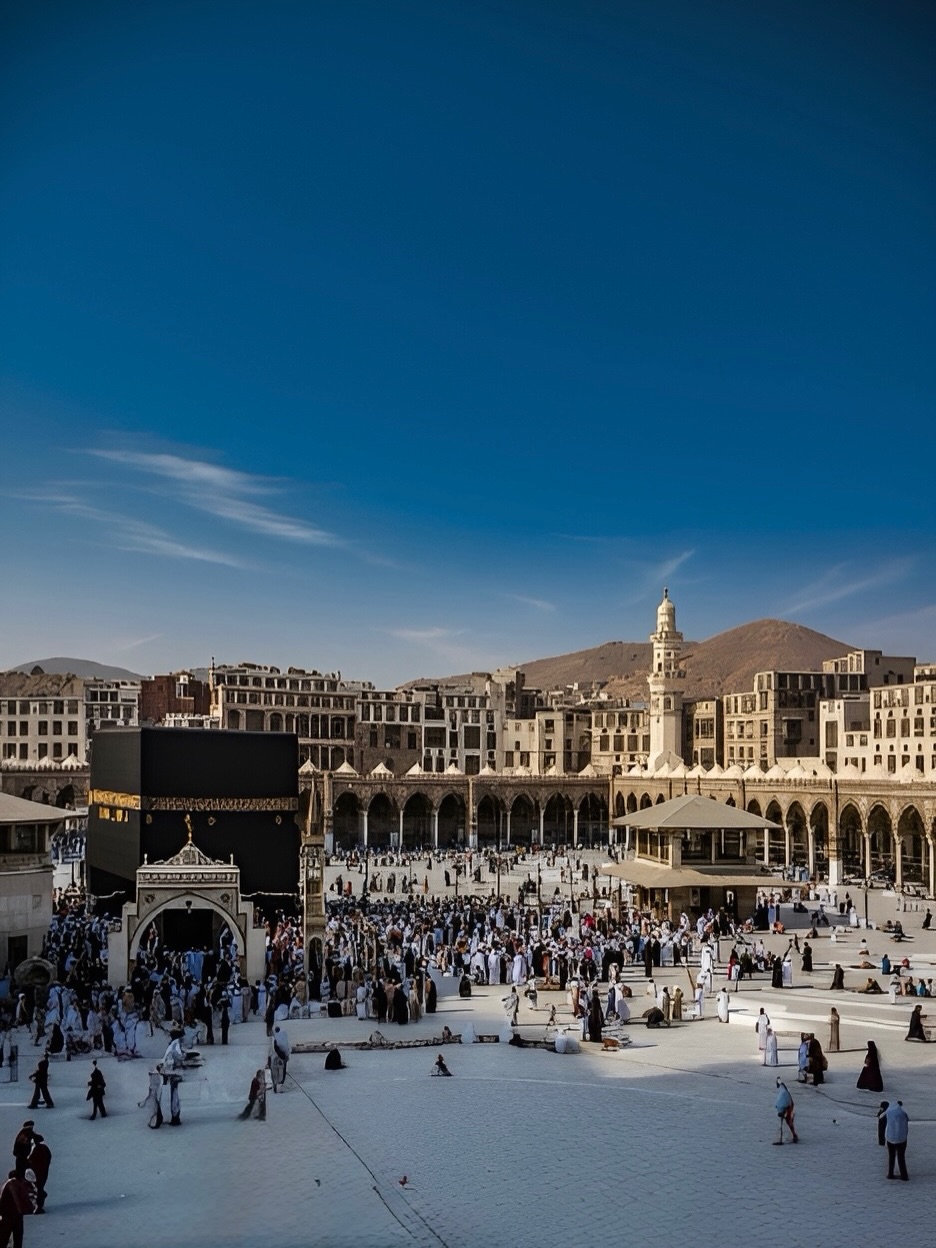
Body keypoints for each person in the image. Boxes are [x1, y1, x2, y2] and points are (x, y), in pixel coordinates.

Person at [883, 1100, 910, 1180]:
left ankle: (890, 1174)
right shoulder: (903, 1114)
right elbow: (907, 1121)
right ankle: (904, 1175)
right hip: (902, 1139)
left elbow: (882, 1119)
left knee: (891, 1157)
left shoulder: (889, 1113)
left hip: (890, 1139)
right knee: (901, 1157)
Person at [25, 1135, 50, 1214]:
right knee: (40, 1188)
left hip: (37, 1172)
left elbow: (30, 1159)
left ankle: (38, 1207)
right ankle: (40, 1203)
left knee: (37, 1189)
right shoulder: (45, 1148)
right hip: (44, 1172)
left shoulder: (36, 1149)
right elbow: (49, 1157)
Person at [139, 1065, 164, 1129]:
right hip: (157, 1073)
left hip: (155, 1074)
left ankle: (155, 1121)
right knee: (155, 1099)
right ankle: (157, 1119)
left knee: (154, 1099)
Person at [774, 1079, 798, 1143]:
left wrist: (789, 1112)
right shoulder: (783, 1093)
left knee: (788, 1121)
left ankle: (793, 1136)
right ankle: (792, 1136)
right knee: (787, 1122)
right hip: (788, 1106)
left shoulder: (783, 1095)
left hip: (789, 1107)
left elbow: (789, 1104)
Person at [271, 1024, 290, 1091]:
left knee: (276, 1072)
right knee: (281, 1072)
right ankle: (280, 1085)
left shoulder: (276, 1038)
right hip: (283, 1057)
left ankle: (277, 1085)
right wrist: (286, 1056)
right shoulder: (283, 1035)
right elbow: (287, 1046)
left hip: (279, 1057)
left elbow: (276, 1048)